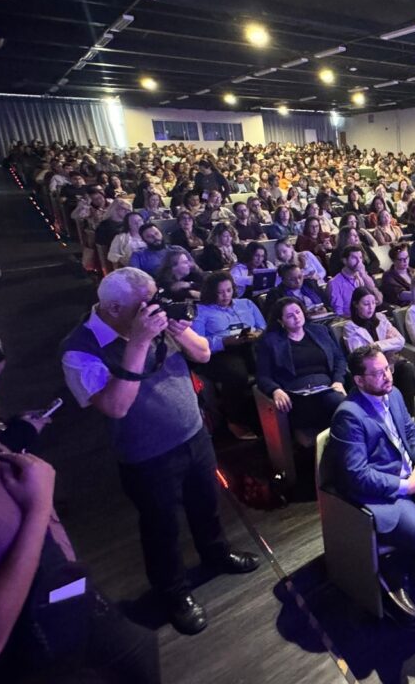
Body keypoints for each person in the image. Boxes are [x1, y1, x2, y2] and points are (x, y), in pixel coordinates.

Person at [60, 268, 259, 636]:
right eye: (145, 301)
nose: (155, 306)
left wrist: (178, 330)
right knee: (161, 527)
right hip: (146, 453)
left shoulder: (157, 321)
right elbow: (115, 406)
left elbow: (201, 353)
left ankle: (216, 555)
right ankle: (173, 593)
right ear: (114, 307)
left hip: (193, 433)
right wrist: (138, 342)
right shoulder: (80, 348)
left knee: (207, 504)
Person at [0, 336, 162, 683]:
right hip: (37, 632)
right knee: (128, 661)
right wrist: (39, 503)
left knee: (137, 647)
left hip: (59, 586)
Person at [328, 346, 415, 630]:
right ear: (359, 380)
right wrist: (407, 486)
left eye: (388, 368)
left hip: (413, 480)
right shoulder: (349, 416)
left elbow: (413, 431)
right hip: (386, 495)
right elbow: (356, 475)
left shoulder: (393, 395)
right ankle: (408, 603)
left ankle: (397, 569)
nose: (387, 376)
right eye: (378, 372)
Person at [255, 297, 347, 442]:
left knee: (338, 402)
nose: (296, 317)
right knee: (336, 406)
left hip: (327, 387)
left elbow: (339, 359)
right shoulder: (269, 341)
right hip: (296, 395)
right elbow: (263, 376)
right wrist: (275, 390)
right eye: (290, 316)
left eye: (298, 312)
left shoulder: (321, 331)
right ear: (281, 321)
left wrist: (338, 381)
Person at [191, 272, 266, 439]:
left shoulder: (245, 303)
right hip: (220, 352)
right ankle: (235, 421)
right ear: (211, 292)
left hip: (249, 344)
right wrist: (224, 342)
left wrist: (256, 334)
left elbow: (263, 327)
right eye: (220, 292)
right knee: (236, 374)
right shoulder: (201, 311)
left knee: (268, 363)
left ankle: (271, 411)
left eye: (229, 290)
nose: (226, 295)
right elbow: (198, 343)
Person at [342, 288, 415, 411]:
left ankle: (413, 411)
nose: (371, 307)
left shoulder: (381, 318)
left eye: (373, 303)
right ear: (356, 304)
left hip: (390, 362)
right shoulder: (350, 327)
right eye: (366, 304)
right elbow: (359, 353)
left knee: (408, 368)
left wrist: (376, 346)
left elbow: (400, 341)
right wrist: (387, 345)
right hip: (371, 369)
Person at [327, 245, 383, 316]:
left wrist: (364, 276)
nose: (359, 262)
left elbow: (379, 301)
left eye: (360, 258)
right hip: (350, 320)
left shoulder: (363, 277)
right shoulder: (334, 283)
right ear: (345, 261)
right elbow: (338, 312)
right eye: (354, 258)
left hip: (368, 317)